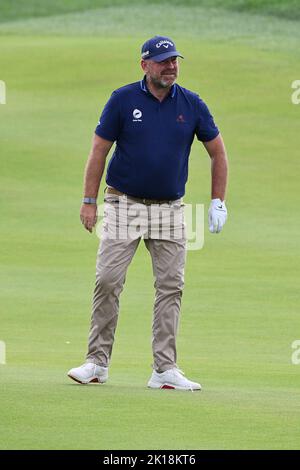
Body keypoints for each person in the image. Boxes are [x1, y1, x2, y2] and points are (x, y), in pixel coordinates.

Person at [67, 35, 228, 391]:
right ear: (145, 65)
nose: (171, 66)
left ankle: (165, 369)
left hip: (170, 209)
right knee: (108, 280)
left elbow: (218, 152)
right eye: (163, 61)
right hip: (124, 204)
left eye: (175, 60)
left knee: (171, 286)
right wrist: (89, 201)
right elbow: (99, 151)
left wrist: (218, 200)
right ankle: (96, 362)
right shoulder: (122, 100)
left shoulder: (192, 103)